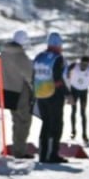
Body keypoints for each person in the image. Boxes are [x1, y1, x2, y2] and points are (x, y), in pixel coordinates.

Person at [32, 31, 69, 164]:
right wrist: (68, 94)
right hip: (54, 95)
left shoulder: (39, 57)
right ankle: (52, 155)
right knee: (56, 125)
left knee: (45, 124)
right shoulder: (57, 58)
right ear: (59, 45)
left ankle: (43, 154)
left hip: (40, 95)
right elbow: (58, 80)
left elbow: (33, 76)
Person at [1, 30, 35, 158]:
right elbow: (29, 73)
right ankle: (19, 151)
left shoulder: (4, 53)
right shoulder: (19, 55)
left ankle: (17, 149)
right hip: (20, 91)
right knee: (24, 121)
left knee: (16, 121)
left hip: (7, 91)